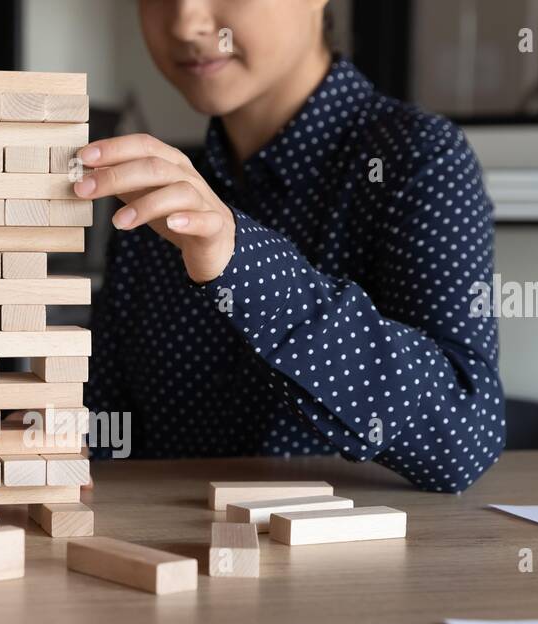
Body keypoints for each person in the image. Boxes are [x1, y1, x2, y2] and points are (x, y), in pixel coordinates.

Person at [81, 0, 504, 492]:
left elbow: (464, 437)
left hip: (354, 541)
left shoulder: (419, 159)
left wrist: (241, 260)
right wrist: (44, 430)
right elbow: (109, 424)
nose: (185, 23)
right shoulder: (164, 186)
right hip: (162, 538)